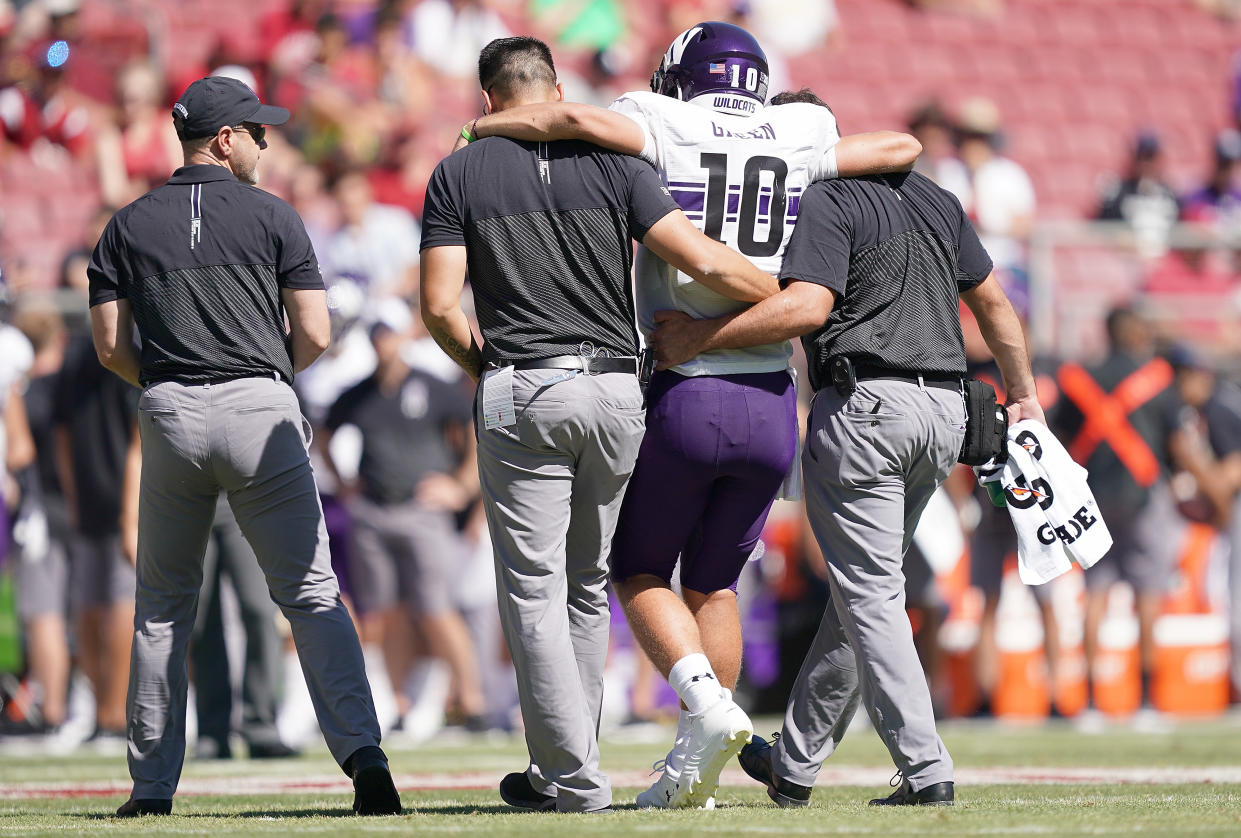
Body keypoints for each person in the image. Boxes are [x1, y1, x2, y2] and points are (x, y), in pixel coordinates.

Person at [460, 24, 921, 809]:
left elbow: (567, 121)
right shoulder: (800, 129)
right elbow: (898, 147)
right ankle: (698, 762)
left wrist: (485, 125)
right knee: (717, 584)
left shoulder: (659, 118)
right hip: (774, 398)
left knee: (636, 571)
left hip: (684, 386)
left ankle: (709, 711)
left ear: (681, 77)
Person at [419, 36, 779, 814]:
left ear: (487, 103)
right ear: (555, 89)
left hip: (525, 384)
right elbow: (702, 259)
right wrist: (782, 294)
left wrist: (486, 370)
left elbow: (441, 306)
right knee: (586, 588)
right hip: (616, 391)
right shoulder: (620, 164)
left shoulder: (457, 171)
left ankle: (571, 779)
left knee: (534, 591)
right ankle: (563, 766)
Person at [652, 166, 1042, 806]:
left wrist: (700, 335)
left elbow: (808, 305)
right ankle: (795, 763)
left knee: (871, 593)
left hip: (868, 405)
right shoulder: (936, 197)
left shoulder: (828, 196)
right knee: (864, 592)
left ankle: (926, 768)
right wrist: (1024, 392)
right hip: (946, 413)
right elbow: (994, 302)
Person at [87, 75, 400, 818]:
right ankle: (365, 761)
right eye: (257, 132)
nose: (266, 141)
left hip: (168, 406)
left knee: (164, 605)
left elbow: (108, 347)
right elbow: (317, 332)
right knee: (310, 594)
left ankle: (151, 788)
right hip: (259, 403)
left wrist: (169, 380)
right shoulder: (274, 215)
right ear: (225, 141)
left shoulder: (124, 223)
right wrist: (257, 376)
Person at [319, 306, 484, 734]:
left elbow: (474, 431)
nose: (381, 342)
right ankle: (401, 704)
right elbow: (322, 432)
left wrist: (462, 486)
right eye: (376, 334)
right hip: (374, 511)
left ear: (403, 336)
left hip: (422, 510)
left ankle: (473, 700)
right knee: (386, 613)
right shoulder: (359, 393)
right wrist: (343, 482)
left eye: (388, 333)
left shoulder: (433, 385)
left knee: (436, 608)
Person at [1053, 307, 1177, 712]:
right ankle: (1145, 698)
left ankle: (1090, 700)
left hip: (1094, 498)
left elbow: (1063, 436)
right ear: (1137, 331)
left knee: (1096, 595)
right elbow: (1175, 440)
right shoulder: (1157, 379)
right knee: (1148, 594)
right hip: (1143, 496)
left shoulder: (1078, 380)